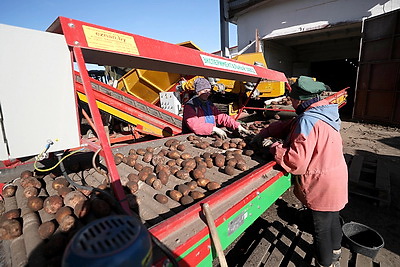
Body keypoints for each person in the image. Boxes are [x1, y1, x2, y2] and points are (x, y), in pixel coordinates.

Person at [251, 76, 348, 267]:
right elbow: (289, 125)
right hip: (336, 176)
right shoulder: (325, 113)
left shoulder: (308, 120)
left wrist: (274, 147)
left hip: (321, 182)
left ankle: (325, 263)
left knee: (320, 228)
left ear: (302, 100)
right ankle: (336, 252)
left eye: (293, 99)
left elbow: (296, 162)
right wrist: (267, 131)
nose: (292, 102)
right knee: (333, 217)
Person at [182, 77, 250, 138]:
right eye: (205, 91)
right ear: (198, 91)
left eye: (209, 91)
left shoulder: (209, 104)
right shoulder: (190, 106)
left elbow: (221, 116)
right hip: (192, 137)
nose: (208, 94)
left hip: (209, 134)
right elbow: (194, 125)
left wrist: (237, 125)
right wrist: (214, 129)